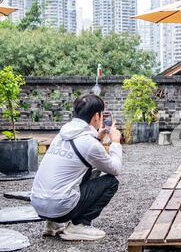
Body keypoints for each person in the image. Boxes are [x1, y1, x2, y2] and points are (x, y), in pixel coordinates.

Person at [30, 94, 122, 241]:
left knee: (82, 170)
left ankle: (52, 224)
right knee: (111, 182)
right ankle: (79, 225)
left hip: (39, 206)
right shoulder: (88, 142)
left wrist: (97, 138)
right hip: (61, 208)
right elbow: (115, 169)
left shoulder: (61, 135)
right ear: (96, 117)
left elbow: (83, 154)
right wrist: (115, 142)